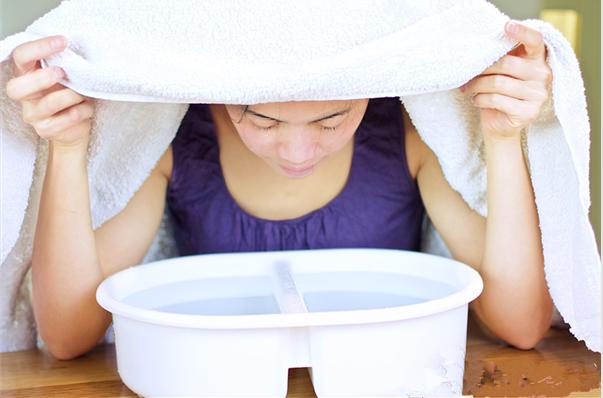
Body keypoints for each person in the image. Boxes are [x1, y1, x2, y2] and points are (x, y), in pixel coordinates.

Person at [5, 19, 554, 360]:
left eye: (330, 120)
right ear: (219, 95)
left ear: (370, 95)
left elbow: (522, 324)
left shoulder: (408, 138)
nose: (297, 153)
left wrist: (503, 139)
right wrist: (68, 147)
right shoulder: (176, 144)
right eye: (263, 122)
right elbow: (68, 335)